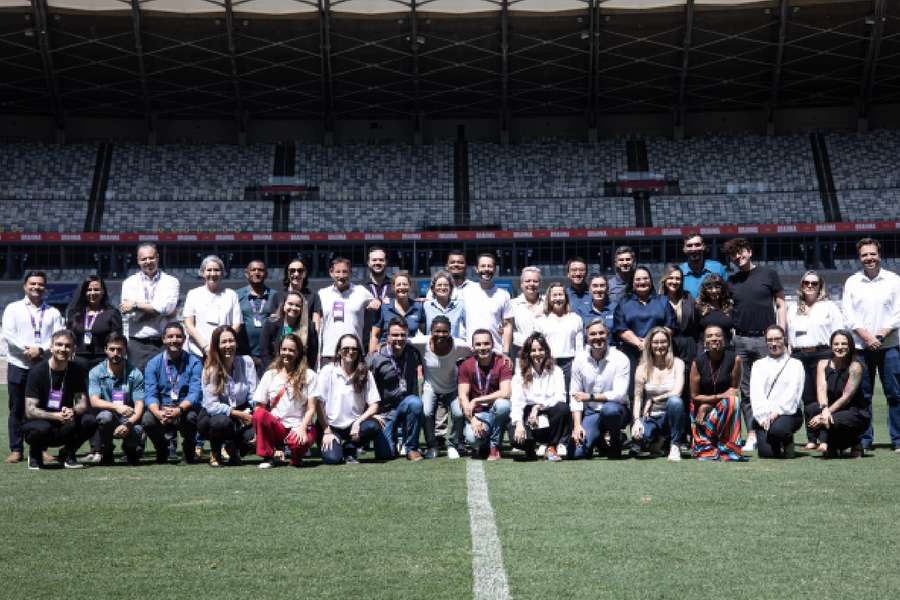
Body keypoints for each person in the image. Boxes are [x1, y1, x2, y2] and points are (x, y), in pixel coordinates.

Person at [723, 237, 786, 452]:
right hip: (740, 340)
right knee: (746, 390)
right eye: (733, 255)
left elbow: (781, 303)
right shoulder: (732, 282)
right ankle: (751, 433)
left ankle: (771, 430)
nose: (738, 257)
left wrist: (782, 333)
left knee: (770, 388)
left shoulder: (769, 274)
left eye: (741, 252)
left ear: (749, 252)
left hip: (765, 339)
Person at [841, 237, 900, 452]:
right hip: (861, 348)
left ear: (879, 254)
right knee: (863, 396)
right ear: (859, 258)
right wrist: (867, 337)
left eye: (872, 254)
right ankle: (865, 439)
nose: (869, 258)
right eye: (865, 255)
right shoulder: (852, 282)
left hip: (890, 346)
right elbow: (849, 316)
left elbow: (898, 313)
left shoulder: (894, 280)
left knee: (894, 394)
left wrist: (880, 336)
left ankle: (898, 439)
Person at [2, 270, 65, 464]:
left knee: (43, 408)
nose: (36, 287)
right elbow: (8, 334)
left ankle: (40, 448)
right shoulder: (13, 308)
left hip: (43, 367)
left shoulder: (53, 312)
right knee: (17, 408)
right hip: (18, 364)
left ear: (45, 287)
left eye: (40, 284)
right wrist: (27, 350)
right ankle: (16, 448)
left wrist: (41, 350)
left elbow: (58, 336)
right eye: (32, 284)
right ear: (25, 286)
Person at [21, 330, 97, 470]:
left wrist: (72, 411)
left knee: (90, 421)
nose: (63, 349)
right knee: (41, 428)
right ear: (51, 347)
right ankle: (36, 453)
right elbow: (30, 410)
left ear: (73, 349)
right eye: (59, 345)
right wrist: (54, 415)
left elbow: (81, 403)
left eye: (68, 346)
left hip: (66, 423)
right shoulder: (37, 372)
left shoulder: (76, 371)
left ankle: (68, 454)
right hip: (42, 424)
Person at [786, 270, 844, 451]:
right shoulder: (793, 308)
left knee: (823, 397)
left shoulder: (830, 307)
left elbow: (838, 332)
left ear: (820, 286)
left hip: (823, 354)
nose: (810, 286)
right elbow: (788, 336)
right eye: (806, 283)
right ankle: (811, 438)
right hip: (799, 355)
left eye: (814, 283)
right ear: (801, 286)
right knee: (807, 398)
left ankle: (825, 439)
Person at [312, 334, 383, 464]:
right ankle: (337, 448)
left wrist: (359, 421)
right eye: (346, 348)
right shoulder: (328, 371)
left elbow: (374, 405)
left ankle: (350, 448)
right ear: (339, 351)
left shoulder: (365, 373)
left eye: (354, 349)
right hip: (330, 425)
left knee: (373, 426)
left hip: (353, 426)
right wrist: (327, 431)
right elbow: (318, 403)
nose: (350, 352)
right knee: (332, 459)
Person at [252, 333, 318, 469]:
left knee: (298, 443)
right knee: (259, 414)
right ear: (279, 350)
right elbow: (259, 407)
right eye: (284, 349)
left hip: (299, 425)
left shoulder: (309, 375)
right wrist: (257, 432)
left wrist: (302, 428)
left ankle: (296, 458)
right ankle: (268, 456)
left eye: (292, 350)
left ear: (299, 352)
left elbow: (311, 408)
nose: (287, 353)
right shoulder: (270, 375)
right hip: (278, 426)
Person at [409, 316, 471, 459]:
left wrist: (502, 355)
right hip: (431, 387)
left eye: (445, 331)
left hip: (453, 387)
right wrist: (382, 345)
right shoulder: (423, 342)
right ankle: (432, 445)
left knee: (459, 414)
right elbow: (402, 341)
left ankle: (453, 444)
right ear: (431, 331)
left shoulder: (458, 345)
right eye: (437, 331)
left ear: (450, 332)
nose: (441, 335)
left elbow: (477, 350)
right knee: (426, 413)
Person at [141, 322, 203, 464]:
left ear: (184, 339)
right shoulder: (153, 364)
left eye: (178, 336)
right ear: (163, 339)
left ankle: (189, 450)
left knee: (192, 417)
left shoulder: (194, 362)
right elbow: (150, 393)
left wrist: (179, 410)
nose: (174, 340)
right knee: (148, 420)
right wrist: (157, 412)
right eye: (170, 336)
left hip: (184, 407)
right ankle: (162, 448)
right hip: (162, 407)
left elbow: (195, 393)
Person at [570, 319, 631, 459]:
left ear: (607, 334)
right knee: (577, 454)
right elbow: (575, 396)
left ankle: (615, 441)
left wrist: (590, 396)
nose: (597, 337)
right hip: (592, 413)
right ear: (587, 338)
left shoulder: (621, 359)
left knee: (609, 410)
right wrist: (578, 425)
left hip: (616, 410)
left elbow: (619, 394)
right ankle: (599, 441)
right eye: (593, 334)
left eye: (601, 333)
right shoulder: (579, 360)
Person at [613, 266, 676, 401]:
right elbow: (620, 327)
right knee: (633, 391)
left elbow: (670, 325)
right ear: (633, 282)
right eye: (638, 279)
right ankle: (634, 419)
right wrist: (639, 343)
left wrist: (650, 344)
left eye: (645, 278)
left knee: (656, 388)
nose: (642, 282)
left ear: (651, 281)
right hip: (631, 354)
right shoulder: (624, 302)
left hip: (659, 354)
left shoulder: (663, 301)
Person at [198, 325, 258, 467]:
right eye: (223, 342)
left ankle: (234, 451)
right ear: (216, 345)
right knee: (221, 423)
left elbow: (254, 395)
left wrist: (254, 415)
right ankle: (215, 451)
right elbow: (212, 406)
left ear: (236, 343)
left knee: (256, 433)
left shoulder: (247, 362)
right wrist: (238, 415)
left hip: (243, 410)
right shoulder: (209, 369)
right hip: (214, 416)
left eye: (231, 341)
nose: (228, 345)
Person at [366, 317, 425, 461]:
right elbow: (365, 388)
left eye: (403, 335)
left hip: (404, 405)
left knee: (416, 403)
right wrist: (371, 412)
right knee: (384, 455)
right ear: (387, 336)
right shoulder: (376, 358)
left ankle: (411, 447)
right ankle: (394, 439)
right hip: (384, 412)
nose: (399, 338)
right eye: (395, 335)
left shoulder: (413, 353)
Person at [807, 330, 871, 458]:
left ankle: (855, 442)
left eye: (843, 344)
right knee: (812, 409)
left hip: (854, 412)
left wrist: (827, 413)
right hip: (831, 410)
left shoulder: (855, 367)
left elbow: (846, 397)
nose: (839, 347)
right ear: (831, 345)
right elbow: (821, 389)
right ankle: (833, 445)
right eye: (836, 344)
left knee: (833, 419)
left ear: (850, 346)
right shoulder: (823, 364)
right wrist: (824, 410)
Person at [119, 243, 180, 370]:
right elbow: (131, 315)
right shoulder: (129, 283)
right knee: (138, 385)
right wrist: (159, 310)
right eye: (144, 259)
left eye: (151, 257)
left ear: (157, 257)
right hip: (137, 344)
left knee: (165, 384)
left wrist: (136, 305)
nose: (148, 261)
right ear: (138, 261)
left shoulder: (171, 281)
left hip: (164, 342)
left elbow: (166, 308)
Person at [509, 333, 569, 461]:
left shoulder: (556, 371)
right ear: (527, 353)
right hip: (528, 414)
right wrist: (519, 424)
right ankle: (532, 447)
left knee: (562, 408)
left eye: (541, 349)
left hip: (549, 412)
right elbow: (517, 403)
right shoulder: (519, 375)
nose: (537, 353)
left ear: (546, 351)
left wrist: (538, 407)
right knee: (515, 437)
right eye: (533, 350)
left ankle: (551, 446)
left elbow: (560, 397)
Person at [454, 328, 513, 460]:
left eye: (486, 343)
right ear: (473, 347)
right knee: (472, 439)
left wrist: (477, 400)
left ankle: (494, 446)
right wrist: (473, 420)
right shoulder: (466, 365)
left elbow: (506, 392)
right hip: (478, 414)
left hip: (495, 411)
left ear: (492, 345)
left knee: (503, 404)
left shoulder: (502, 362)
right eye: (478, 344)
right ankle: (484, 442)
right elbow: (462, 396)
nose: (483, 347)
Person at [689, 324, 745, 461]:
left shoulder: (735, 359)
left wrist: (711, 403)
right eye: (709, 336)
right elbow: (694, 396)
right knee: (706, 454)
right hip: (700, 408)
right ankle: (707, 444)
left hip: (723, 408)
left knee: (733, 401)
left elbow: (733, 391)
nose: (714, 338)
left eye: (718, 335)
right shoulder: (698, 362)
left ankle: (729, 448)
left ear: (724, 339)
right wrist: (710, 403)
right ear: (705, 342)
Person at [88, 333, 144, 466]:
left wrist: (128, 424)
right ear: (105, 350)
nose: (116, 353)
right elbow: (94, 401)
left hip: (129, 418)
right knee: (104, 416)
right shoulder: (96, 372)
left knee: (137, 432)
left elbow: (139, 404)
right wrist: (117, 407)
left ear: (125, 350)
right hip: (110, 415)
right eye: (112, 349)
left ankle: (130, 449)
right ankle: (106, 450)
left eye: (120, 349)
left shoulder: (135, 373)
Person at [631, 327, 686, 462]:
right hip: (651, 416)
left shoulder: (678, 364)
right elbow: (637, 398)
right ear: (649, 344)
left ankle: (675, 445)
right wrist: (637, 421)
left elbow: (677, 392)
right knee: (640, 437)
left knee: (675, 401)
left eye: (663, 342)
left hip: (670, 414)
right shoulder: (641, 368)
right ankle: (659, 442)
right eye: (655, 342)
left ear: (669, 344)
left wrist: (654, 399)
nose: (659, 346)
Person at [749, 325, 804, 459]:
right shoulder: (758, 365)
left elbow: (794, 393)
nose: (774, 343)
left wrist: (777, 411)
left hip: (788, 413)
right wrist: (763, 416)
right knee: (766, 454)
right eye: (770, 340)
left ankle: (787, 440)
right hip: (765, 416)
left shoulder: (796, 364)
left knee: (778, 430)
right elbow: (756, 393)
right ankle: (777, 442)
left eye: (777, 339)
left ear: (784, 339)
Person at [314, 257, 376, 365]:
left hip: (354, 352)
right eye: (338, 272)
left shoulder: (361, 291)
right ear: (331, 273)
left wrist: (377, 302)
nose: (341, 276)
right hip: (329, 353)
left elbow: (376, 303)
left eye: (345, 272)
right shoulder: (322, 294)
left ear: (350, 273)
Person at [182, 254, 243, 358]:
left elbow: (237, 325)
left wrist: (222, 344)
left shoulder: (231, 295)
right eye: (209, 270)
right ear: (202, 272)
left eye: (217, 270)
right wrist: (206, 347)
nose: (213, 273)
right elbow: (189, 325)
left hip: (223, 352)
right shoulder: (193, 294)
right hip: (198, 352)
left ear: (222, 273)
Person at [535, 281, 584, 394]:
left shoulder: (575, 319)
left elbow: (579, 346)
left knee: (570, 394)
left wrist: (578, 365)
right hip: (548, 362)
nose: (558, 298)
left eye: (560, 295)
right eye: (554, 295)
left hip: (570, 363)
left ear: (566, 297)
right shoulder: (541, 320)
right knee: (551, 394)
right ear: (549, 298)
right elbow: (537, 345)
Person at [66, 275, 123, 370]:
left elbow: (116, 340)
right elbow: (69, 337)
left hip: (103, 361)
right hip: (78, 361)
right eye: (89, 289)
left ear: (103, 291)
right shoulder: (74, 313)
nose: (92, 293)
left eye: (96, 289)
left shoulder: (112, 313)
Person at [460, 253, 513, 355]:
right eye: (483, 266)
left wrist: (505, 351)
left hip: (496, 351)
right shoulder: (465, 292)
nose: (486, 269)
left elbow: (507, 325)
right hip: (470, 351)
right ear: (476, 269)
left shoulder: (504, 295)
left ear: (495, 269)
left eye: (490, 266)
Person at [235, 260, 278, 369]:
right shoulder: (236, 295)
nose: (257, 272)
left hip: (268, 356)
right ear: (247, 273)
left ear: (266, 274)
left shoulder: (274, 296)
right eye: (253, 270)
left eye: (260, 270)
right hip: (243, 355)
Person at [369, 271, 424, 352]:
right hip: (386, 353)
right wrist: (372, 356)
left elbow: (423, 333)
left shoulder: (418, 307)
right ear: (393, 287)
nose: (402, 287)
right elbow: (375, 335)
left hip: (409, 353)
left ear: (410, 286)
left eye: (405, 284)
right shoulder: (384, 307)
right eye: (398, 284)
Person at [259, 291, 315, 369]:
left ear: (302, 308)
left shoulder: (309, 327)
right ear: (284, 305)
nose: (293, 308)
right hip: (274, 370)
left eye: (297, 305)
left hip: (299, 372)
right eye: (290, 304)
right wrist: (273, 371)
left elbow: (312, 355)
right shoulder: (271, 323)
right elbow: (264, 352)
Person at [360, 246, 392, 350]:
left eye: (381, 260)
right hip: (364, 342)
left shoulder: (396, 286)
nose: (377, 263)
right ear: (368, 263)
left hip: (390, 341)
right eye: (374, 260)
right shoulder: (359, 288)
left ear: (386, 262)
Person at [679, 233, 728, 299]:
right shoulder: (679, 272)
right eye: (689, 246)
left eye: (697, 245)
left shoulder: (718, 268)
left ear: (704, 246)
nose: (694, 249)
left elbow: (727, 294)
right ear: (684, 249)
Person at [511, 266, 544, 359]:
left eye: (535, 281)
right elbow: (509, 331)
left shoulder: (547, 303)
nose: (531, 284)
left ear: (540, 284)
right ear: (521, 284)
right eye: (527, 281)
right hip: (521, 355)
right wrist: (530, 342)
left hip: (544, 356)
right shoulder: (512, 305)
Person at [422, 270, 466, 339]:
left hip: (452, 347)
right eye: (439, 285)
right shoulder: (426, 306)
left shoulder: (460, 305)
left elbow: (468, 327)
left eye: (446, 285)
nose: (442, 288)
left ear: (451, 288)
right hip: (432, 347)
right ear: (433, 288)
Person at [694, 274, 735, 345]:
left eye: (717, 287)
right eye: (709, 288)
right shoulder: (698, 307)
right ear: (705, 290)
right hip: (705, 350)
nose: (714, 291)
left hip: (726, 349)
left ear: (722, 288)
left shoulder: (729, 306)